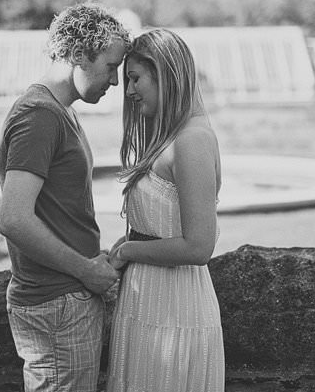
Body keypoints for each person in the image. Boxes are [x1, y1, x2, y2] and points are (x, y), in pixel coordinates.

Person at [0, 2, 131, 392]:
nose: (117, 81)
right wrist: (85, 270)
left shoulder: (60, 111)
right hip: (55, 306)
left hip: (66, 300)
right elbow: (13, 218)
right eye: (111, 67)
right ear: (76, 55)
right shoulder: (39, 115)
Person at [106, 28, 225, 392]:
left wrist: (127, 251)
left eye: (135, 78)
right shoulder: (172, 136)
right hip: (148, 310)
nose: (128, 91)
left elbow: (199, 246)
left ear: (165, 74)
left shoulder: (191, 141)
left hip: (175, 315)